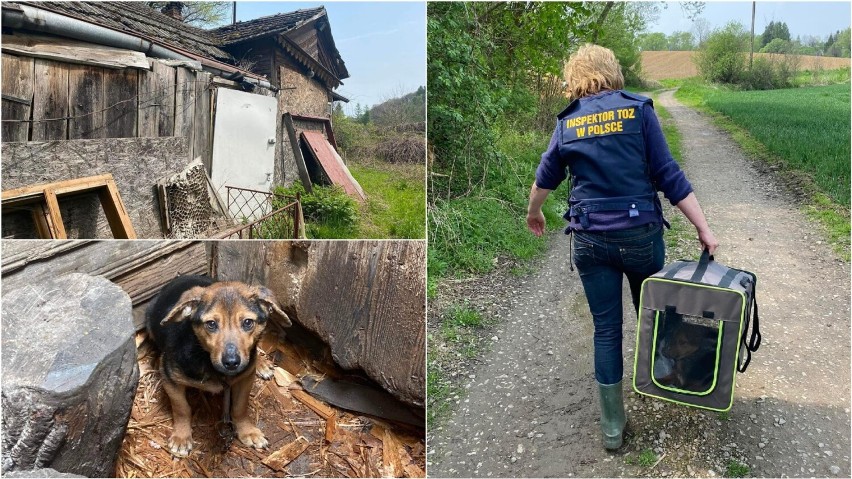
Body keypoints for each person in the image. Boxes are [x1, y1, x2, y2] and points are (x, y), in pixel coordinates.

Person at [525, 44, 718, 450]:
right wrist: (702, 227)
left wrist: (534, 214)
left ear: (575, 77)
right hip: (640, 238)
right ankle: (668, 382)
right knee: (655, 314)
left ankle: (613, 426)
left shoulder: (567, 123)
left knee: (606, 330)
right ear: (612, 72)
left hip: (591, 242)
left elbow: (545, 179)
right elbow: (668, 174)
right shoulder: (639, 110)